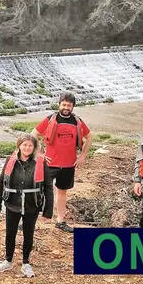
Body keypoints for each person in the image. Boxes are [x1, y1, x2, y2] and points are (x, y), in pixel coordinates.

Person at [30, 92, 91, 233]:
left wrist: (83, 156)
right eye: (64, 104)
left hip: (69, 165)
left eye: (69, 105)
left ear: (73, 107)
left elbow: (90, 136)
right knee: (39, 191)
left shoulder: (77, 121)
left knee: (62, 192)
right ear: (59, 105)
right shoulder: (50, 118)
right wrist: (39, 153)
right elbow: (34, 133)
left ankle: (60, 221)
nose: (66, 107)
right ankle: (31, 221)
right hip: (50, 164)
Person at [0, 135, 52, 278]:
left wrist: (47, 211)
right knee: (10, 233)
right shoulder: (10, 160)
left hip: (32, 205)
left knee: (28, 234)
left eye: (30, 146)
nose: (27, 148)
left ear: (34, 148)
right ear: (19, 145)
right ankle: (8, 260)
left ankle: (26, 262)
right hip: (12, 204)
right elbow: (1, 182)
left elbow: (48, 187)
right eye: (24, 145)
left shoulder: (40, 162)